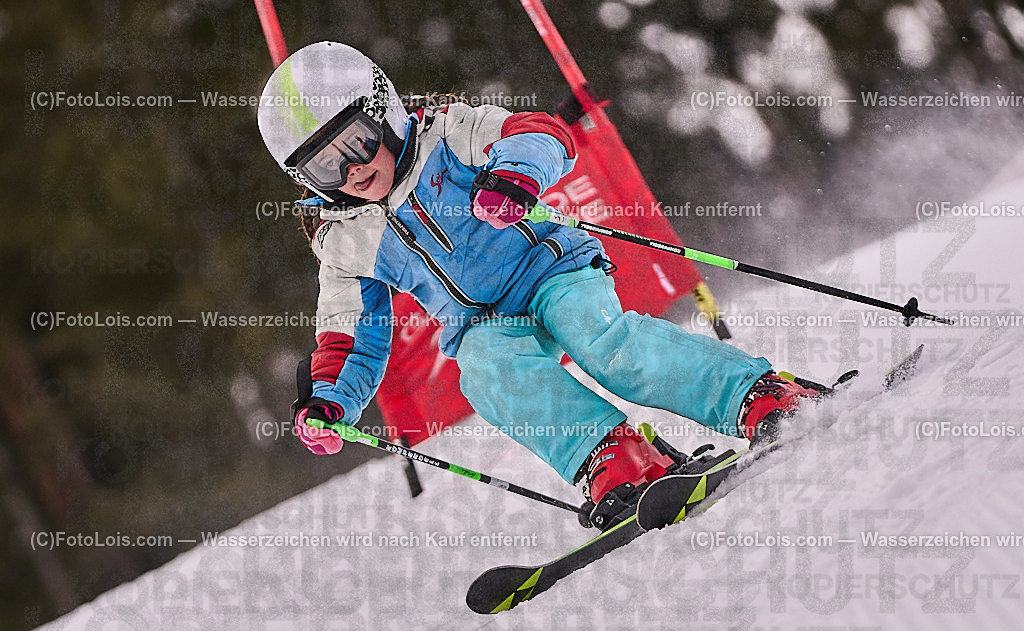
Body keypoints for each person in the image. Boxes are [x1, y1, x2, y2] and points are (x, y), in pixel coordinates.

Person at [257, 41, 821, 530]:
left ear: (383, 112)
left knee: (604, 344)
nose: (351, 172)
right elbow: (352, 332)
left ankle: (755, 396)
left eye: (355, 144)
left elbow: (539, 132)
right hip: (482, 323)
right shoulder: (343, 238)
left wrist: (513, 177)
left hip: (552, 269)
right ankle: (615, 457)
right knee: (485, 373)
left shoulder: (446, 133)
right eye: (325, 168)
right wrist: (330, 399)